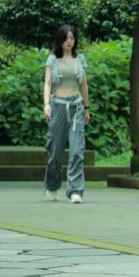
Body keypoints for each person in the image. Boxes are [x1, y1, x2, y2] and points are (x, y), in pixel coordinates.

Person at [43, 23, 89, 203]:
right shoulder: (53, 60)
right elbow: (47, 84)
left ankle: (76, 190)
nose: (69, 42)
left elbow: (84, 86)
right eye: (66, 38)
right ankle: (52, 184)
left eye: (72, 38)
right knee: (55, 149)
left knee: (77, 149)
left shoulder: (80, 60)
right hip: (58, 106)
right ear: (60, 40)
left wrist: (86, 108)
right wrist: (46, 104)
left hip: (76, 105)